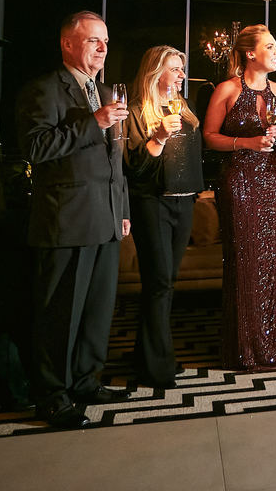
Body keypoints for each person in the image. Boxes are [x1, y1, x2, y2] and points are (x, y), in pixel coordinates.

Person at [16, 11, 132, 429]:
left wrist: (122, 210)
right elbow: (35, 148)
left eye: (106, 42)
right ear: (67, 44)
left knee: (97, 312)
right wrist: (93, 122)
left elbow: (115, 158)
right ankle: (51, 396)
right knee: (59, 315)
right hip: (66, 221)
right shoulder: (44, 89)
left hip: (106, 218)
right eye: (92, 41)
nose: (102, 48)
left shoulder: (105, 91)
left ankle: (85, 381)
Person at [202, 24, 276, 370]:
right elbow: (209, 136)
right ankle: (243, 350)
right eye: (270, 46)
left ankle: (273, 347)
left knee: (273, 261)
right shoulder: (227, 89)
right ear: (250, 53)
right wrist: (247, 143)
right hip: (239, 180)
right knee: (244, 261)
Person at [122, 45, 205, 389]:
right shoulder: (136, 112)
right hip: (152, 203)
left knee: (166, 282)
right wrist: (158, 136)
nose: (181, 75)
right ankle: (157, 367)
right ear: (155, 72)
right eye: (174, 68)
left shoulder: (184, 107)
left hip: (184, 202)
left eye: (182, 69)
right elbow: (134, 168)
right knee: (158, 284)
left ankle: (148, 355)